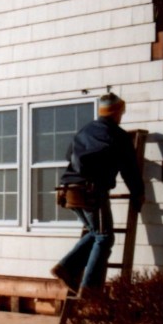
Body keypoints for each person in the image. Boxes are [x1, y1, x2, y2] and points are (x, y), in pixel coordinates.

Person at [51, 93, 144, 299]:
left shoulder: (85, 130)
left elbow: (70, 155)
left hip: (69, 190)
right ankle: (90, 288)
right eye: (121, 112)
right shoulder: (118, 136)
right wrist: (138, 194)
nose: (122, 115)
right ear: (116, 113)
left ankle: (66, 268)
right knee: (104, 237)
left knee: (95, 233)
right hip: (91, 191)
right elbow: (130, 170)